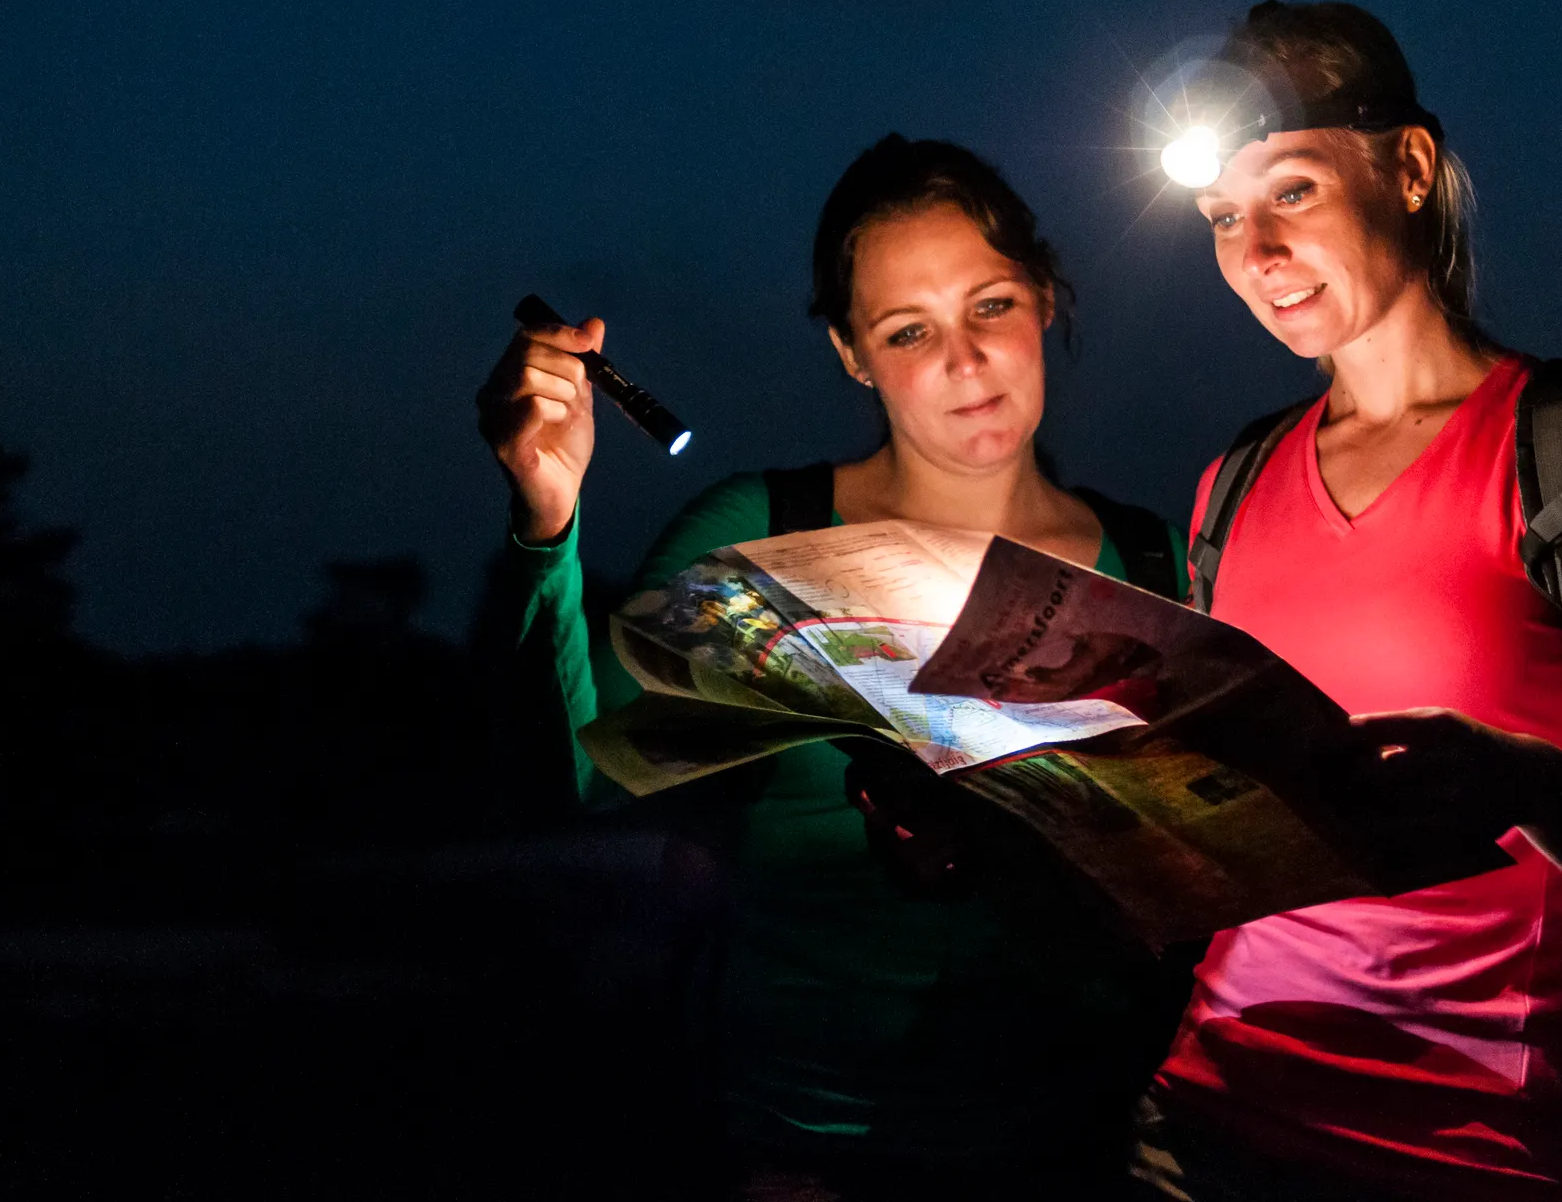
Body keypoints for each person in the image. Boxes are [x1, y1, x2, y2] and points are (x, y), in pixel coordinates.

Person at [476, 135, 1191, 1201]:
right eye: (909, 329)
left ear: (1044, 296)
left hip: (1084, 1151)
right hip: (816, 1157)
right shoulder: (766, 536)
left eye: (990, 304)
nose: (964, 358)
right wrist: (545, 518)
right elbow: (583, 771)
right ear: (851, 351)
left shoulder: (1151, 562)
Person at [1130, 2, 1562, 1200]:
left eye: (1292, 192)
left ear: (1407, 167)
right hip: (1206, 1122)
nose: (1253, 249)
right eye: (1219, 219)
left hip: (1477, 1142)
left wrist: (1514, 775)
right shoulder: (1229, 484)